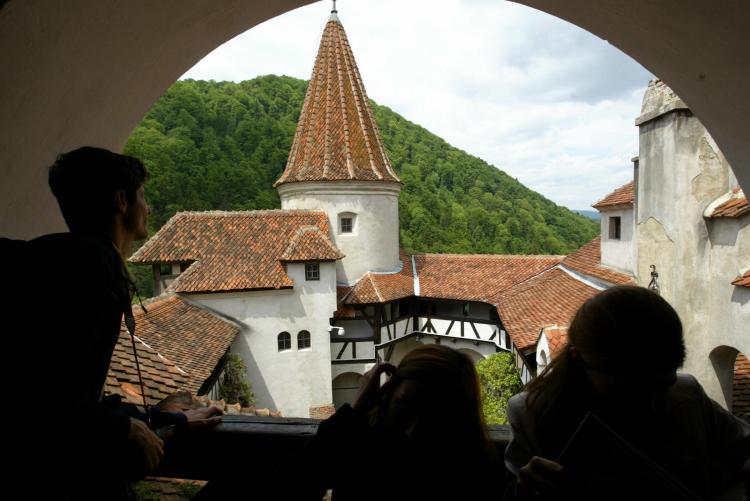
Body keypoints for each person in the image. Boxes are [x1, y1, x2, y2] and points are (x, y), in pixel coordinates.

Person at [2, 147, 222, 500]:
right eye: (143, 197)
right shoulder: (91, 270)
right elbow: (53, 398)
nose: (148, 208)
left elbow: (66, 388)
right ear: (122, 200)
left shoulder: (54, 257)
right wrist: (125, 428)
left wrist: (169, 419)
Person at [503, 285, 750, 500]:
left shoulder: (687, 393)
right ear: (579, 359)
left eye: (662, 380)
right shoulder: (531, 414)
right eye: (630, 384)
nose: (646, 398)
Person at [299, 344, 502, 501]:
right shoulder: (362, 442)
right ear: (389, 390)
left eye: (434, 418)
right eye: (406, 404)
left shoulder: (361, 443)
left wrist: (354, 409)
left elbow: (300, 480)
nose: (413, 429)